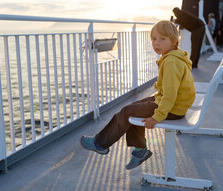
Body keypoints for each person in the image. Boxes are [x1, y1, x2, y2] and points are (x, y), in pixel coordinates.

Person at [80, 20, 196, 170]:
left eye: (162, 39)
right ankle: (139, 150)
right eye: (154, 39)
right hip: (175, 104)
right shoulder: (172, 57)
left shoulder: (172, 62)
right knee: (134, 108)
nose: (157, 43)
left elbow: (170, 95)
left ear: (174, 41)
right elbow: (168, 93)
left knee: (128, 111)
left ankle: (100, 144)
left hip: (173, 108)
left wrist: (157, 117)